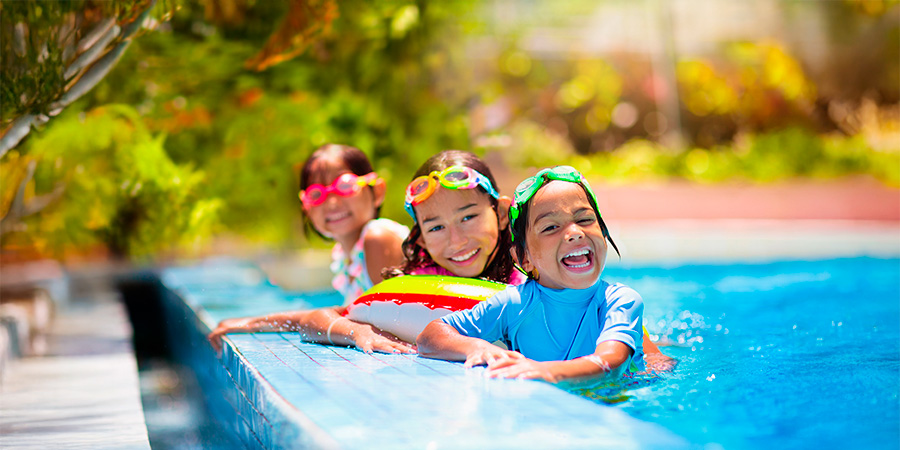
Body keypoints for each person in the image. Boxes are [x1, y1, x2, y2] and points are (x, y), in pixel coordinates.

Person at [417, 166, 647, 386]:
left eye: (584, 219)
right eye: (550, 227)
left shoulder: (620, 300)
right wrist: (476, 347)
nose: (575, 233)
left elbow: (611, 362)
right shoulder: (514, 304)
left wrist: (546, 370)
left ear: (603, 232)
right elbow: (430, 336)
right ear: (523, 257)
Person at [208, 144, 414, 354]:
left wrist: (252, 323)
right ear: (306, 208)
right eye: (317, 194)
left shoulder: (379, 236)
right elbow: (348, 317)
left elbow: (389, 319)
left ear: (377, 191)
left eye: (345, 185)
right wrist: (252, 323)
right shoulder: (350, 254)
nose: (332, 203)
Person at [386, 150, 526, 285]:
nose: (457, 242)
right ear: (422, 239)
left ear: (501, 213)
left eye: (467, 218)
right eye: (437, 228)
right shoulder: (412, 291)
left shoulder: (535, 283)